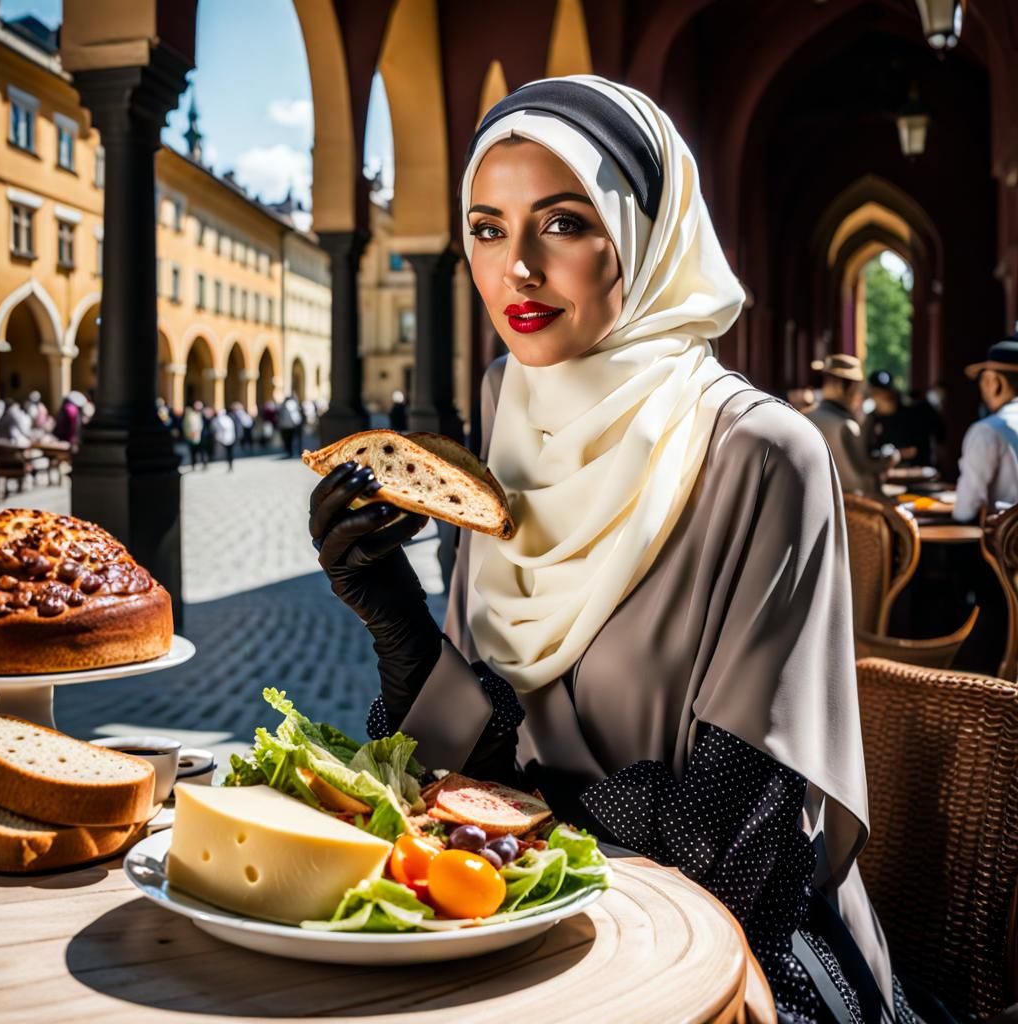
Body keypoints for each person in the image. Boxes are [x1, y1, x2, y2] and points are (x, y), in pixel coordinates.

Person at [308, 77, 919, 1023]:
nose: (516, 268)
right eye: (486, 227)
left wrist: (507, 798)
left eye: (562, 223)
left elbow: (727, 853)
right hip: (513, 933)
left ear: (647, 232)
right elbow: (450, 783)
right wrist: (396, 625)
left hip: (719, 966)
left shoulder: (761, 455)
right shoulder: (506, 414)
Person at [806, 354, 901, 496]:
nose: (858, 396)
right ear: (840, 387)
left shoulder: (806, 416)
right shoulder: (846, 425)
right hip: (855, 502)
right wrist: (891, 458)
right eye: (856, 389)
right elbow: (864, 466)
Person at [953, 331, 1018, 522]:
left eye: (983, 380)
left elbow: (966, 509)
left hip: (1005, 549)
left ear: (993, 382)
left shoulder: (987, 431)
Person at [864, 371, 920, 465]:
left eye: (885, 393)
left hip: (907, 470)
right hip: (878, 471)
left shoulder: (908, 416)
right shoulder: (870, 418)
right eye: (877, 393)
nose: (882, 397)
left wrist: (895, 454)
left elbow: (914, 450)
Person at [210, 405, 238, 472]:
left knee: (228, 453)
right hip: (224, 439)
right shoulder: (226, 419)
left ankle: (230, 465)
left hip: (227, 439)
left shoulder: (224, 419)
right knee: (228, 453)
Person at [181, 401, 205, 470]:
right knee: (193, 452)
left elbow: (200, 425)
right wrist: (189, 433)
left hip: (199, 436)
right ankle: (193, 465)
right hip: (191, 436)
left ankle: (203, 464)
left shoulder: (198, 414)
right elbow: (186, 426)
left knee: (201, 452)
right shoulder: (189, 416)